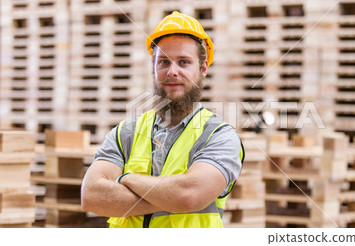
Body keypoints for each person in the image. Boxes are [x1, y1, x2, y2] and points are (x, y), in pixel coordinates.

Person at [81, 11, 244, 228]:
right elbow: (91, 196)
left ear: (203, 69)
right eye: (163, 62)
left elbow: (188, 196)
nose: (172, 71)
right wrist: (169, 196)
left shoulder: (218, 136)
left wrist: (126, 179)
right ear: (154, 67)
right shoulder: (126, 132)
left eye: (184, 62)